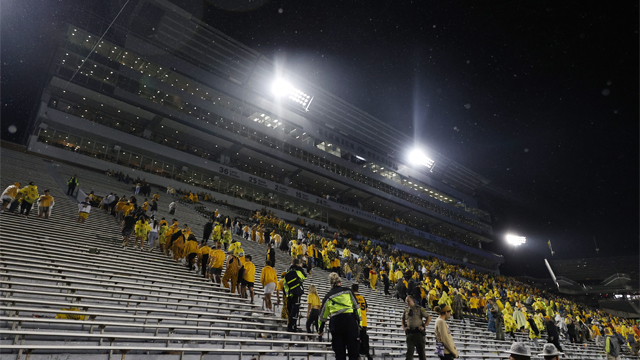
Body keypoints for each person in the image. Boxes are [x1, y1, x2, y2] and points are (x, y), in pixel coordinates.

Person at [318, 272, 361, 360]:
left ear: (331, 284)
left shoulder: (328, 296)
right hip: (350, 321)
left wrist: (320, 329)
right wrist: (360, 323)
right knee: (353, 352)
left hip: (336, 322)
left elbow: (322, 316)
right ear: (340, 282)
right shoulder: (348, 291)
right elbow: (357, 307)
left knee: (339, 353)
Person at [402, 295, 432, 360]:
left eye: (408, 301)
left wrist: (424, 326)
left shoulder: (419, 309)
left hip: (418, 333)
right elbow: (403, 319)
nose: (407, 303)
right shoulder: (406, 310)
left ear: (413, 301)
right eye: (406, 301)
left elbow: (428, 317)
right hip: (410, 333)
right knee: (409, 352)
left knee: (421, 352)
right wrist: (404, 327)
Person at [284, 258, 307, 332]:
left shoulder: (288, 271)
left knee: (290, 310)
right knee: (295, 311)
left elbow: (285, 283)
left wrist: (287, 294)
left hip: (289, 294)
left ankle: (290, 325)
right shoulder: (299, 271)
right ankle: (292, 326)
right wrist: (300, 268)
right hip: (296, 293)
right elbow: (304, 277)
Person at [352, 284, 373, 360]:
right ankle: (367, 355)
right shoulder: (362, 298)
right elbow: (367, 309)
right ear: (358, 289)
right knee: (364, 340)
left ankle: (357, 355)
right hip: (364, 321)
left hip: (355, 322)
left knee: (355, 340)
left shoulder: (352, 298)